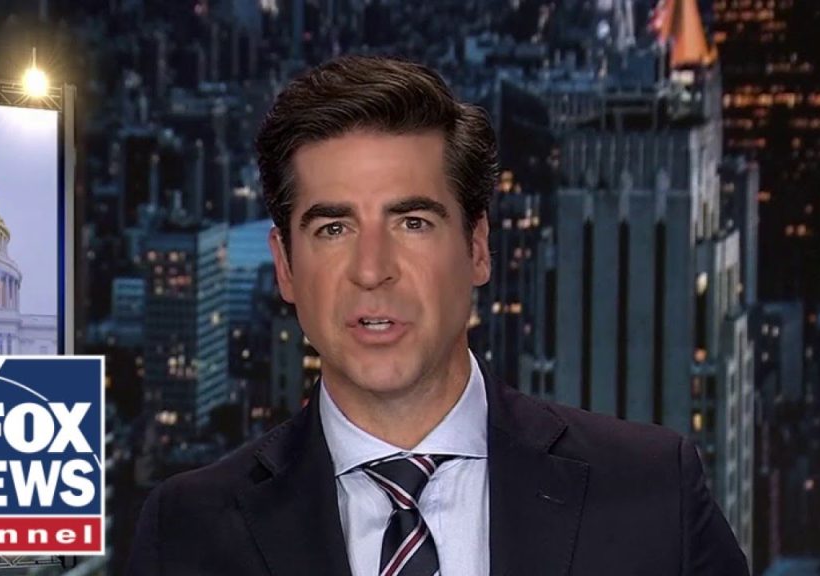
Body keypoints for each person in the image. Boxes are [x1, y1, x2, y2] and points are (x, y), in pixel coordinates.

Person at [126, 54, 750, 576]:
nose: (372, 269)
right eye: (334, 228)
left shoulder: (652, 495)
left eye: (413, 223)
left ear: (477, 248)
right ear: (285, 266)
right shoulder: (186, 534)